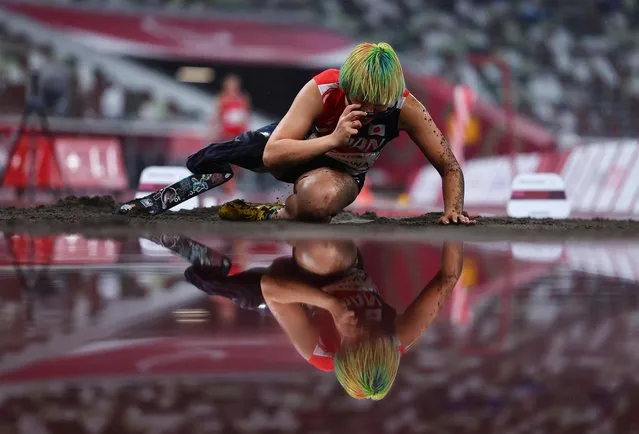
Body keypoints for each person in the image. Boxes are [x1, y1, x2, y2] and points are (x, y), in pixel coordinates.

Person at [185, 42, 475, 225]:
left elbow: (449, 165)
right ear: (346, 85)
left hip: (345, 172)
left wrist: (453, 210)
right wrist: (334, 138)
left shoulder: (407, 107)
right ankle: (219, 160)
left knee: (316, 203)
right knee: (224, 154)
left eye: (380, 104)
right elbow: (274, 155)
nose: (371, 109)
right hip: (300, 147)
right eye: (362, 100)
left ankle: (274, 212)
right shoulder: (323, 87)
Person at [150, 234, 463, 400]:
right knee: (328, 248)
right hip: (342, 269)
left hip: (290, 292)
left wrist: (332, 306)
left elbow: (272, 288)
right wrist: (454, 223)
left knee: (211, 280)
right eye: (368, 334)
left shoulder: (322, 353)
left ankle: (208, 263)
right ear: (386, 342)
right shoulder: (401, 333)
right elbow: (447, 279)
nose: (358, 328)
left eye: (350, 341)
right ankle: (301, 218)